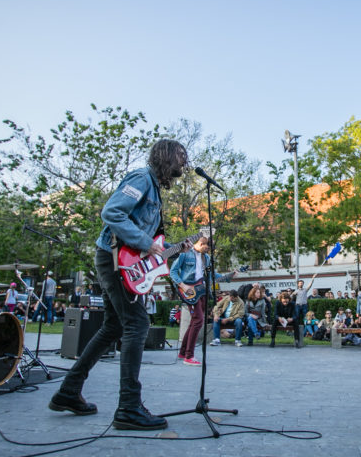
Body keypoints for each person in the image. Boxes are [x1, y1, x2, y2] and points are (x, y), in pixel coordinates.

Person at [49, 138, 190, 431]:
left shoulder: (154, 189)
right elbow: (112, 213)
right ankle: (128, 407)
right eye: (180, 155)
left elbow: (152, 247)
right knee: (137, 324)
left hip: (123, 262)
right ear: (165, 155)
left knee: (113, 326)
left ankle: (68, 391)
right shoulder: (141, 178)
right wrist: (145, 243)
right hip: (114, 260)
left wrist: (176, 248)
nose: (184, 161)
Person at [170, 235, 235, 363]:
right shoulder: (185, 254)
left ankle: (183, 352)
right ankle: (189, 356)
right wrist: (182, 285)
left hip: (202, 291)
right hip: (189, 290)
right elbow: (173, 271)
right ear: (201, 243)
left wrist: (228, 276)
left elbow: (212, 275)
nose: (208, 250)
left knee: (195, 321)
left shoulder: (207, 258)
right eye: (207, 248)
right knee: (199, 320)